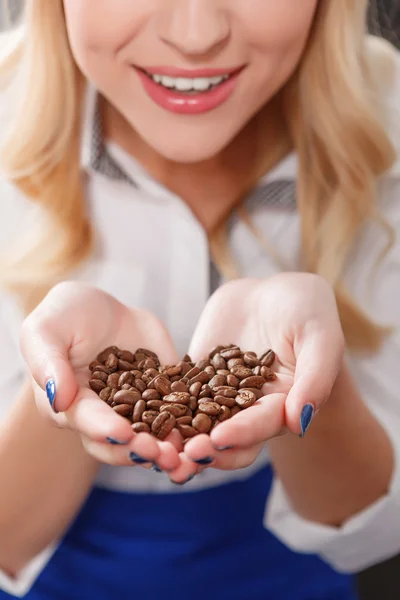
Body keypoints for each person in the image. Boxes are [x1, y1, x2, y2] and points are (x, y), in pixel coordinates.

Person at [0, 1, 399, 599]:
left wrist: (318, 382)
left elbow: (372, 535)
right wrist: (59, 390)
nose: (196, 36)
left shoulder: (386, 119)